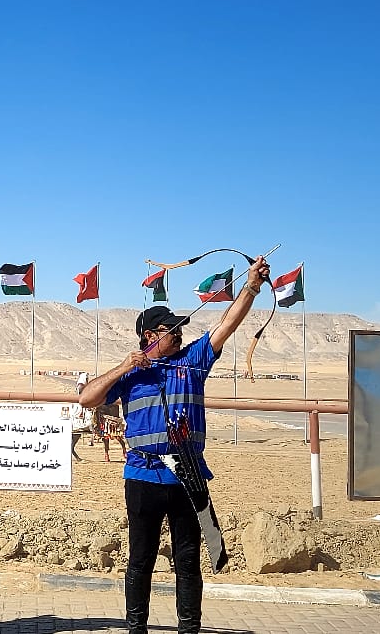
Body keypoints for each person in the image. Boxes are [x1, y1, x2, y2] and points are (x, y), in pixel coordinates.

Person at [79, 256, 269, 634]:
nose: (180, 334)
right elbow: (87, 398)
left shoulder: (194, 360)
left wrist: (252, 286)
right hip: (142, 477)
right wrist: (124, 366)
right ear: (151, 336)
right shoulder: (130, 374)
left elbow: (227, 324)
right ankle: (136, 628)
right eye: (173, 329)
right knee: (141, 560)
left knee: (188, 561)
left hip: (187, 476)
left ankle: (189, 629)